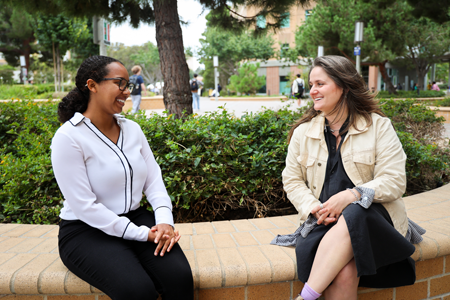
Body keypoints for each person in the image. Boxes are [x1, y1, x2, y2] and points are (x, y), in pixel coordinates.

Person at [271, 55, 425, 300]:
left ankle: (306, 297)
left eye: (320, 84)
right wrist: (313, 208)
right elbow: (292, 180)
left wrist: (352, 195)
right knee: (343, 274)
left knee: (355, 210)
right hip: (325, 221)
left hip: (373, 219)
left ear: (343, 86)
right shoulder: (303, 133)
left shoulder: (378, 127)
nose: (312, 91)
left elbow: (395, 180)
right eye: (311, 85)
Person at [51, 56, 194, 300]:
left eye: (128, 85)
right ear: (92, 85)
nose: (126, 92)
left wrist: (164, 222)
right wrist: (142, 234)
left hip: (136, 218)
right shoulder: (69, 138)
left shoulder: (132, 130)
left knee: (179, 278)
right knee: (137, 291)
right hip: (85, 230)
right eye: (120, 83)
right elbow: (85, 207)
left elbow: (154, 181)